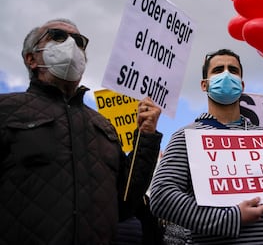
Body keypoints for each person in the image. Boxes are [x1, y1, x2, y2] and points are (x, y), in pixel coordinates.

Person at [0, 18, 162, 245]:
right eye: (57, 36)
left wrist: (146, 137)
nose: (71, 45)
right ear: (31, 58)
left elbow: (125, 202)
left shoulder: (103, 125)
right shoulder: (6, 110)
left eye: (79, 41)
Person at [150, 49, 263, 244]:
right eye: (218, 70)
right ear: (205, 85)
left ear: (242, 84)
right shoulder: (186, 136)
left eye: (233, 70)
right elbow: (162, 195)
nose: (227, 74)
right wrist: (232, 218)